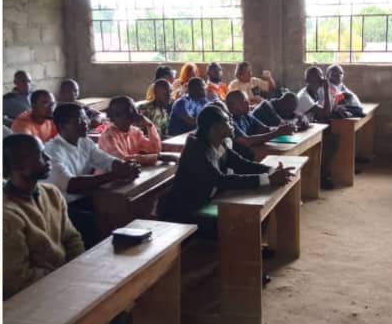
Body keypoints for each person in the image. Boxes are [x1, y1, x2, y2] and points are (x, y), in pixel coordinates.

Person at [157, 103, 295, 232]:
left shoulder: (218, 143)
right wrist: (267, 179)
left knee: (255, 210)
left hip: (207, 201)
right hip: (188, 213)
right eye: (227, 121)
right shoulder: (196, 149)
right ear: (214, 128)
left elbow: (241, 164)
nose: (231, 123)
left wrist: (271, 170)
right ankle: (243, 255)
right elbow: (221, 180)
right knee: (243, 219)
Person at [43, 102, 139, 248]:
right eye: (79, 121)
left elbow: (106, 160)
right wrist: (116, 175)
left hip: (85, 197)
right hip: (62, 206)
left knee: (121, 207)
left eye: (85, 119)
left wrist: (125, 167)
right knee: (91, 220)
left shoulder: (84, 142)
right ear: (63, 126)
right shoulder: (52, 150)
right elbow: (71, 185)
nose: (86, 123)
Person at [2, 134, 84, 298]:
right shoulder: (8, 215)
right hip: (37, 295)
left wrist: (79, 272)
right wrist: (63, 281)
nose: (48, 158)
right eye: (40, 155)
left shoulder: (51, 192)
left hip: (66, 281)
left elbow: (72, 239)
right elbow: (17, 280)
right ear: (18, 165)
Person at [98, 96, 162, 165]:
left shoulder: (135, 132)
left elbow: (155, 150)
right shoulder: (108, 136)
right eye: (124, 113)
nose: (129, 116)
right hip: (107, 175)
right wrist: (154, 158)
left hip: (128, 173)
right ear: (113, 117)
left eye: (132, 112)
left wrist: (149, 125)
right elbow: (122, 160)